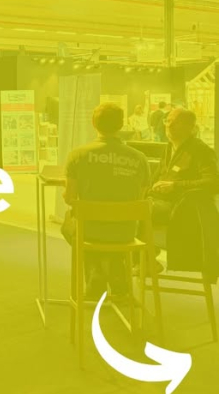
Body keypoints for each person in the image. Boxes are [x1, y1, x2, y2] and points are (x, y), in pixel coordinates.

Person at [62, 103, 151, 298]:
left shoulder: (77, 155)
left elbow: (70, 199)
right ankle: (116, 268)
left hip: (90, 231)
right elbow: (140, 198)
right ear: (121, 125)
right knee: (111, 230)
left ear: (93, 123)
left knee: (70, 224)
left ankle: (96, 270)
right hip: (125, 232)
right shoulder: (140, 159)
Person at [148, 108, 219, 227]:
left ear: (190, 127)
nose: (169, 125)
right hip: (159, 201)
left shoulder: (201, 151)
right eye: (167, 121)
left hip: (181, 207)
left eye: (176, 122)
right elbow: (155, 178)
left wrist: (175, 186)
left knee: (137, 212)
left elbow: (213, 183)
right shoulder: (169, 148)